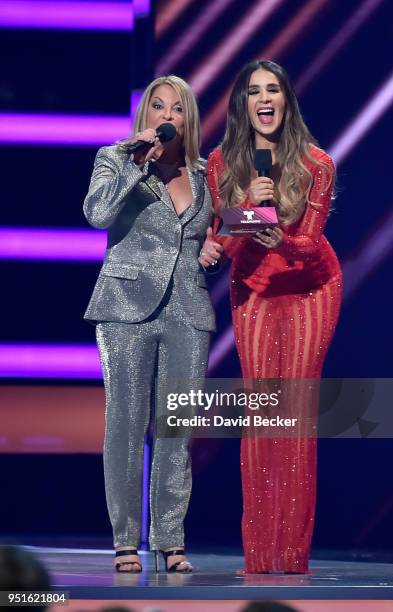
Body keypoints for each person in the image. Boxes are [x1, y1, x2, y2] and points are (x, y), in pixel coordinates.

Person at [199, 60, 342, 573]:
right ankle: (260, 555)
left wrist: (274, 229)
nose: (264, 99)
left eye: (273, 90)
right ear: (242, 104)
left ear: (286, 101)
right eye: (253, 91)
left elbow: (309, 243)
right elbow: (226, 237)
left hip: (311, 288)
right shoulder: (221, 162)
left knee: (295, 416)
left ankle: (292, 554)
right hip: (255, 287)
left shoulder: (316, 164)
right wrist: (248, 209)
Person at [83, 75, 215, 573]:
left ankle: (170, 539)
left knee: (176, 430)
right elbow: (97, 215)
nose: (165, 115)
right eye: (156, 106)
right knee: (125, 425)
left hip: (188, 309)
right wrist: (135, 166)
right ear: (144, 118)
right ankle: (124, 541)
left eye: (175, 109)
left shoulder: (205, 174)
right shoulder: (113, 159)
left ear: (187, 120)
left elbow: (214, 229)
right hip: (124, 306)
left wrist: (211, 247)